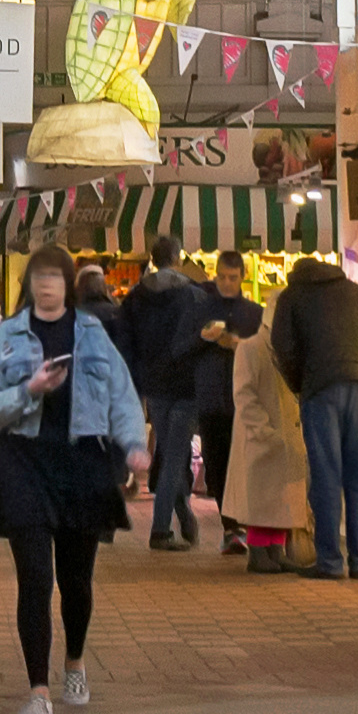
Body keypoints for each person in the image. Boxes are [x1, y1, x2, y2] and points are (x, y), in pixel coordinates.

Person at [0, 253, 145, 714]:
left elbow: (122, 395)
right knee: (35, 580)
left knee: (76, 583)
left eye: (54, 278)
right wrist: (30, 389)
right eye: (39, 278)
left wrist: (133, 445)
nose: (47, 287)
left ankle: (75, 663)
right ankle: (38, 691)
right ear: (30, 284)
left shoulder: (91, 332)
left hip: (81, 462)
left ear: (68, 285)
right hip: (24, 462)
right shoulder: (8, 335)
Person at [273, 248, 358, 579]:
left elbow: (281, 347)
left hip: (320, 390)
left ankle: (329, 560)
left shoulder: (292, 296)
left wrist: (301, 383)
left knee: (326, 474)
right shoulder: (356, 292)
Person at [119, 236, 216, 551]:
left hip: (154, 385)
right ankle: (161, 529)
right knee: (174, 455)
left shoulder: (135, 297)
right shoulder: (194, 295)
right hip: (187, 383)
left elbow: (126, 341)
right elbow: (206, 338)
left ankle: (183, 513)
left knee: (170, 452)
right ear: (177, 258)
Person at [225, 259, 311, 570]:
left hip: (281, 433)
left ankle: (274, 548)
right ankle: (260, 550)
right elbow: (244, 394)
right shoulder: (251, 347)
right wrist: (263, 430)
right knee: (262, 494)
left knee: (278, 494)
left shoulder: (284, 348)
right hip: (260, 435)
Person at [193, 251, 265, 537]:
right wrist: (203, 339)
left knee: (246, 462)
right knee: (216, 463)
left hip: (244, 398)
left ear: (242, 277)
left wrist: (239, 345)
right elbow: (181, 349)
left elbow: (264, 354)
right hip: (211, 397)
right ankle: (230, 526)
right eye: (221, 277)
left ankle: (243, 521)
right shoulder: (201, 310)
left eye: (232, 278)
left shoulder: (254, 314)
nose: (226, 283)